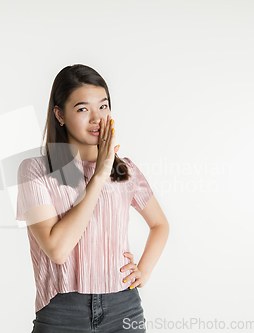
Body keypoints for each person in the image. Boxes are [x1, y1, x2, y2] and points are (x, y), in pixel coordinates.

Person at [16, 64, 170, 332]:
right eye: (82, 109)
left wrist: (143, 271)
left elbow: (160, 225)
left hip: (124, 307)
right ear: (59, 115)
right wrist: (99, 175)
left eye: (104, 106)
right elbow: (57, 249)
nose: (97, 118)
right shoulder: (35, 171)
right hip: (62, 311)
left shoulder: (126, 170)